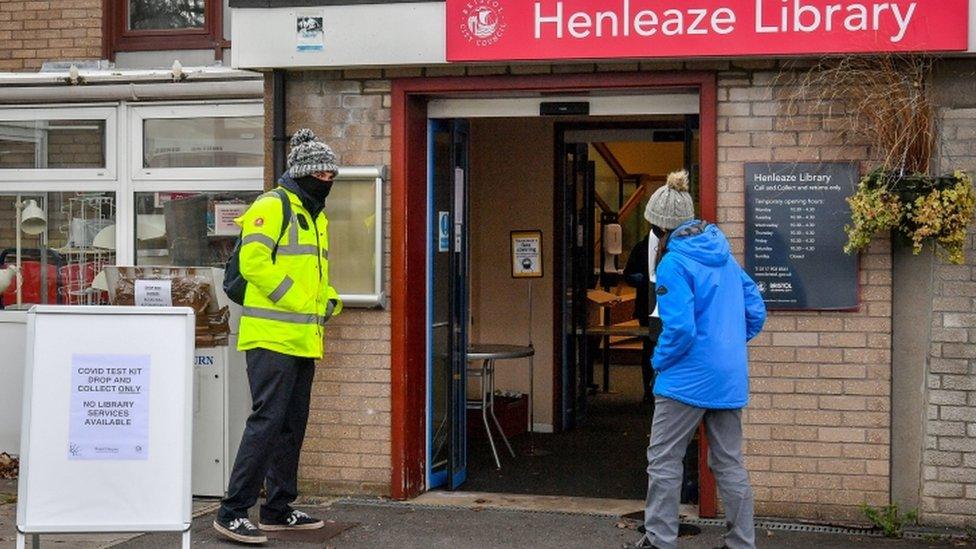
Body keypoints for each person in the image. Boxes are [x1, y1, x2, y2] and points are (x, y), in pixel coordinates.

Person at [214, 128, 343, 544]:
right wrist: (300, 301)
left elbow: (314, 274)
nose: (327, 181)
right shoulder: (273, 205)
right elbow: (253, 264)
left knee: (292, 425)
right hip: (269, 338)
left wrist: (329, 302)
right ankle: (232, 511)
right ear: (303, 173)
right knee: (266, 424)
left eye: (331, 175)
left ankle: (277, 508)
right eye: (321, 174)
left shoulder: (315, 216)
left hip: (303, 339)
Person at [635, 170, 767, 549]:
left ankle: (660, 541)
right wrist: (727, 344)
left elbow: (679, 330)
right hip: (728, 377)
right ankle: (741, 542)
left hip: (685, 379)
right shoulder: (724, 257)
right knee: (728, 463)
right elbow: (756, 309)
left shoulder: (674, 263)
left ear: (661, 228)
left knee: (664, 460)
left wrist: (659, 361)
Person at [623, 228, 660, 404]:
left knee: (649, 349)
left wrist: (640, 279)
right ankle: (651, 390)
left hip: (646, 304)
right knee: (652, 349)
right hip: (653, 305)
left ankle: (650, 391)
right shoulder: (644, 247)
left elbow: (628, 275)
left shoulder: (641, 247)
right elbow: (629, 275)